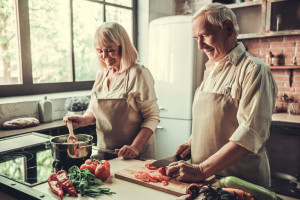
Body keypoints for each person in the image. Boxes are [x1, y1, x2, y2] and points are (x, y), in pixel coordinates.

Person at [166, 3, 278, 187]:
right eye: (196, 38)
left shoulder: (254, 70)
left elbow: (250, 133)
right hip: (206, 181)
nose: (200, 45)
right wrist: (193, 141)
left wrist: (201, 170)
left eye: (204, 36)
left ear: (227, 28)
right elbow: (215, 120)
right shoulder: (211, 70)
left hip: (240, 183)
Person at [64, 22, 159, 159]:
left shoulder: (138, 73)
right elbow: (95, 109)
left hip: (136, 155)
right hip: (105, 153)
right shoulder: (101, 74)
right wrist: (84, 120)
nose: (104, 55)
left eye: (110, 50)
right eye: (100, 50)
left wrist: (135, 147)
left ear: (123, 47)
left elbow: (152, 117)